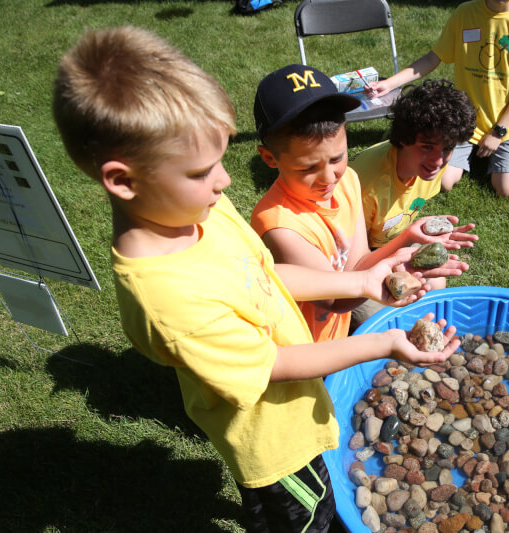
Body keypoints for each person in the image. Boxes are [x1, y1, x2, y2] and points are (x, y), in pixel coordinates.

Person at [52, 27, 460, 532]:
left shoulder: (201, 211)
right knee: (304, 518)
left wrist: (360, 285)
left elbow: (263, 273)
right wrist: (386, 343)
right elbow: (274, 364)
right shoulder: (166, 295)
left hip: (300, 402)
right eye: (204, 170)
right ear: (123, 179)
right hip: (275, 442)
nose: (225, 182)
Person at [251, 65, 475, 342]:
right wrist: (386, 273)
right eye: (308, 167)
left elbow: (358, 263)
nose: (329, 177)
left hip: (340, 329)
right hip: (307, 343)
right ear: (270, 159)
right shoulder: (278, 223)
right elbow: (333, 301)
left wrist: (407, 237)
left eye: (337, 158)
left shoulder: (349, 181)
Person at [365, 0, 509, 199]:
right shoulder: (465, 13)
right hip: (463, 120)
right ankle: (473, 153)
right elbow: (433, 58)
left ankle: (487, 153)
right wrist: (389, 84)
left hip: (505, 125)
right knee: (442, 181)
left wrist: (499, 131)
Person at [350, 79, 477, 250]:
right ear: (403, 138)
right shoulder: (366, 187)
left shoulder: (429, 164)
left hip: (386, 242)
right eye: (427, 147)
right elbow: (355, 258)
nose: (438, 161)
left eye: (448, 148)